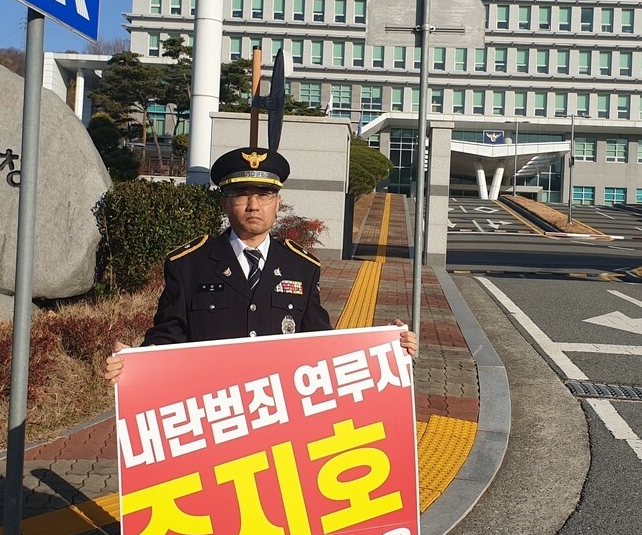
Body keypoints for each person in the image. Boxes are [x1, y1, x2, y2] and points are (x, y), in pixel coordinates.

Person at [106, 147, 415, 381]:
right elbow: (168, 335)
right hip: (215, 409)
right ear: (225, 203)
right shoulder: (189, 266)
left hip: (279, 414)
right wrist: (135, 363)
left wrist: (383, 345)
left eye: (264, 195)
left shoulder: (302, 268)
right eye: (241, 195)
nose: (253, 205)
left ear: (277, 202)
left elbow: (320, 344)